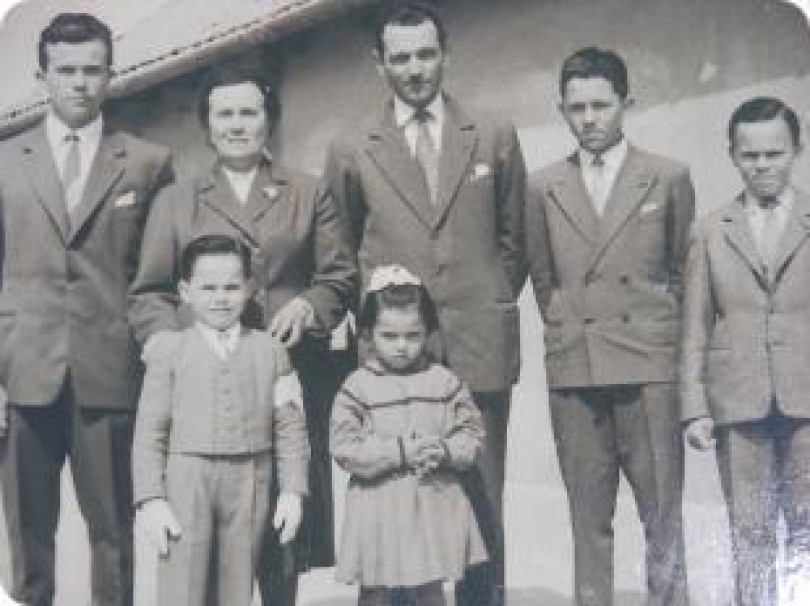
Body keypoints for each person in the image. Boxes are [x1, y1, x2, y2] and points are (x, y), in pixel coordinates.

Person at [128, 65, 356, 604]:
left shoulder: (307, 191)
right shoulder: (176, 200)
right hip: (202, 391)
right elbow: (149, 292)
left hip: (287, 378)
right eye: (223, 114)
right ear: (206, 125)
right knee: (198, 552)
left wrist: (308, 304)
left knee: (283, 532)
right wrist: (167, 345)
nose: (237, 124)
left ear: (268, 121)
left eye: (249, 112)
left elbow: (339, 275)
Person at [324, 4, 526, 602]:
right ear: (379, 63)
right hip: (391, 353)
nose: (414, 69)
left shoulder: (492, 132)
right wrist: (387, 325)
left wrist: (482, 301)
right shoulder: (351, 145)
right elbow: (344, 250)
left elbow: (512, 243)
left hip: (478, 342)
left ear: (445, 53)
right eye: (400, 57)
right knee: (394, 504)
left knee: (480, 499)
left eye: (425, 53)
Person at [0, 13, 172, 606]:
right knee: (28, 537)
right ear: (41, 77)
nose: (80, 83)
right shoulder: (4, 162)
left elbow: (156, 280)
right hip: (24, 374)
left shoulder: (147, 163)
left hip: (110, 373)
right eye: (66, 71)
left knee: (114, 536)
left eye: (92, 70)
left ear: (110, 74)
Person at [525, 47, 695, 606]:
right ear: (562, 110)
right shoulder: (543, 186)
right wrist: (573, 335)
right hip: (577, 370)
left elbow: (678, 272)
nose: (590, 118)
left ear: (626, 103)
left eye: (601, 104)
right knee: (587, 522)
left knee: (662, 516)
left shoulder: (667, 178)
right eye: (577, 108)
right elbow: (545, 281)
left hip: (647, 368)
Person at [132, 234, 309, 605]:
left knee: (237, 584)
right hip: (187, 478)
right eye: (208, 287)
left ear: (249, 288)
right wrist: (150, 498)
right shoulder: (169, 351)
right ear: (185, 291)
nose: (220, 297)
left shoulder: (272, 352)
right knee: (183, 583)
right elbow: (150, 431)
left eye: (231, 287)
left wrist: (293, 491)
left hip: (251, 479)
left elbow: (290, 428)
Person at [680, 97, 809, 605]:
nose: (762, 166)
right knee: (749, 532)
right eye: (750, 155)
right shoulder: (711, 230)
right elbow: (693, 326)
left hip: (807, 401)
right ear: (732, 156)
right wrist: (694, 408)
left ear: (796, 150)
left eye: (774, 154)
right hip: (739, 404)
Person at [331, 264, 486, 606]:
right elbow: (344, 448)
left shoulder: (444, 382)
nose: (402, 346)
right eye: (389, 336)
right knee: (376, 589)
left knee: (429, 587)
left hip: (430, 504)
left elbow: (472, 435)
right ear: (369, 335)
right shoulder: (357, 387)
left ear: (427, 332)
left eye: (413, 336)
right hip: (379, 506)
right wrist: (398, 452)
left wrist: (445, 450)